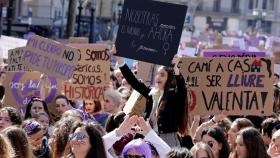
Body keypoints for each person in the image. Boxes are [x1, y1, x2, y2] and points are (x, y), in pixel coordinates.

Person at [114, 49, 187, 147]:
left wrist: (176, 69)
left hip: (168, 141)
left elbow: (182, 89)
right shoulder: (151, 93)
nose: (158, 77)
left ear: (170, 79)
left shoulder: (174, 96)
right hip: (150, 138)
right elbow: (133, 81)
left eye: (162, 75)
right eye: (157, 74)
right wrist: (120, 60)